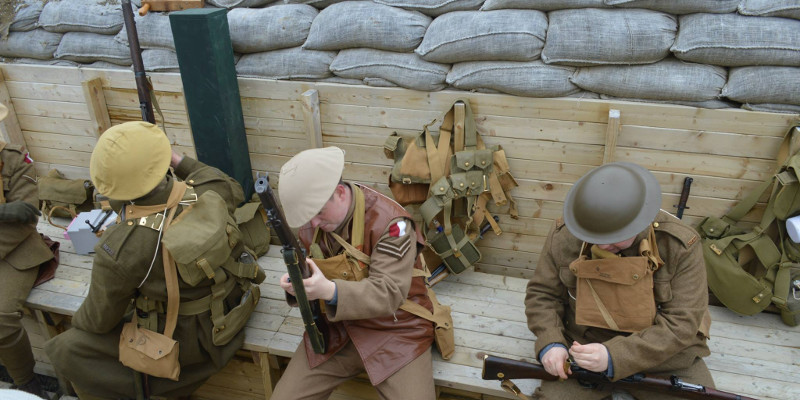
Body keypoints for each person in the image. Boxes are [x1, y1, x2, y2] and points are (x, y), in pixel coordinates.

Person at [45, 121, 264, 399]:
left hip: (195, 343)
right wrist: (171, 157)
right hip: (236, 306)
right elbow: (222, 181)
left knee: (67, 349)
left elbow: (96, 321)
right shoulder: (209, 190)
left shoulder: (122, 247)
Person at [525, 162, 713, 400]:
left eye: (615, 239)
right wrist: (550, 342)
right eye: (593, 237)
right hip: (583, 349)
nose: (603, 246)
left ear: (640, 221)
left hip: (663, 356)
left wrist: (614, 356)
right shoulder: (565, 234)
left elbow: (682, 323)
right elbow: (543, 295)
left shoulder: (679, 245)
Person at [270, 146, 436, 400]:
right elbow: (309, 269)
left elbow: (389, 292)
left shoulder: (394, 225)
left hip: (395, 331)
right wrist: (299, 286)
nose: (312, 224)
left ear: (338, 192)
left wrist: (329, 290)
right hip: (336, 332)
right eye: (307, 217)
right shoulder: (311, 220)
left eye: (318, 213)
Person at [0, 103, 53, 398]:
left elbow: (27, 214)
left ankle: (25, 382)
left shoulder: (14, 160)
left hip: (16, 250)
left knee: (1, 319)